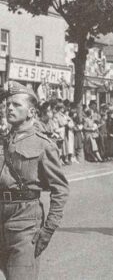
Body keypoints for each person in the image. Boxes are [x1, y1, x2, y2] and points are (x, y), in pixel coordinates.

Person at [0, 81, 69, 280]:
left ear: (31, 112)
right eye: (7, 105)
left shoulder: (43, 144)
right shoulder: (3, 140)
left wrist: (48, 229)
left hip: (25, 218)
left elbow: (60, 189)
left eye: (16, 105)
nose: (9, 108)